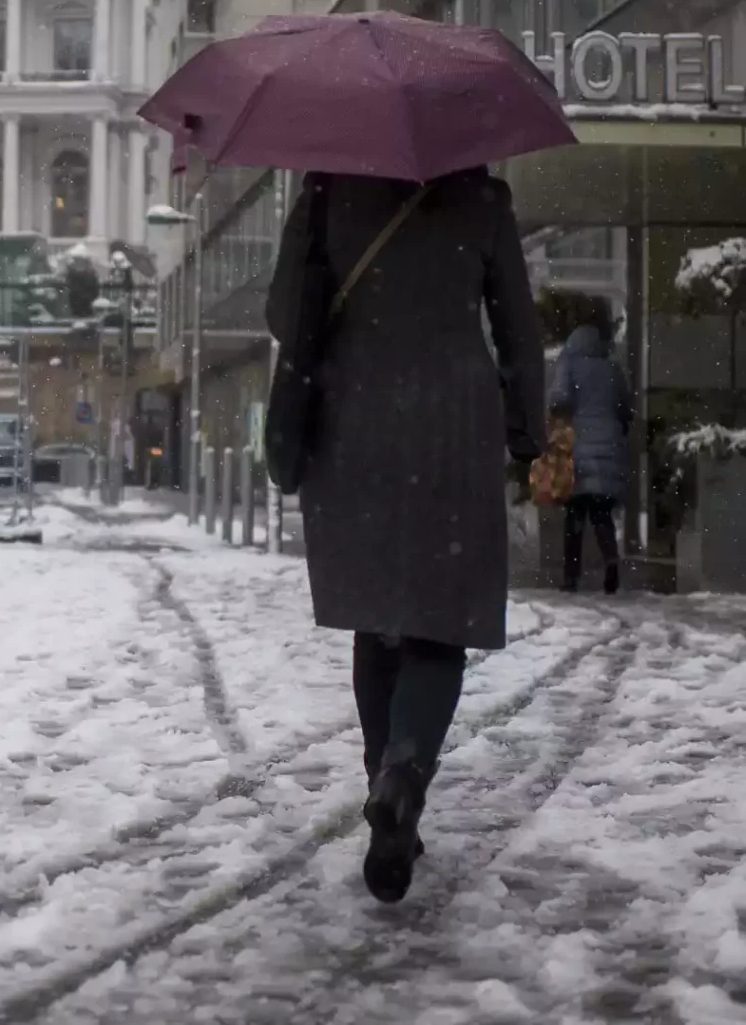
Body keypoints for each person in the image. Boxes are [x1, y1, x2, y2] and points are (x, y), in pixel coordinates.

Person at [267, 167, 543, 905]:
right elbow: (517, 324)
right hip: (454, 424)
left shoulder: (329, 186)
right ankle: (403, 773)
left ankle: (382, 779)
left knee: (376, 615)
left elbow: (282, 308)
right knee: (436, 625)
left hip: (352, 422)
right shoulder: (481, 198)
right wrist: (527, 426)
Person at [549, 319, 633, 594]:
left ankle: (571, 576)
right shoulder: (612, 368)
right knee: (600, 511)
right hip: (608, 443)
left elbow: (558, 400)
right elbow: (625, 407)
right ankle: (610, 559)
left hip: (578, 443)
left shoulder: (569, 365)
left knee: (575, 513)